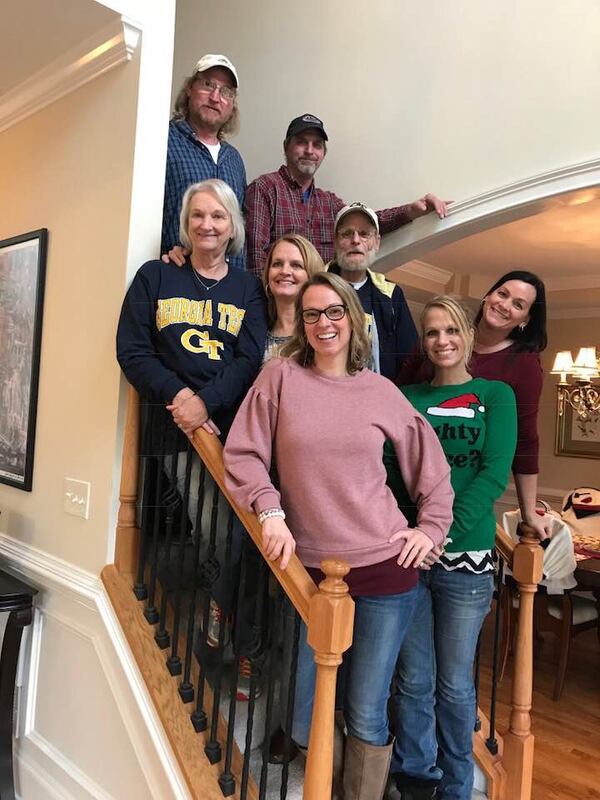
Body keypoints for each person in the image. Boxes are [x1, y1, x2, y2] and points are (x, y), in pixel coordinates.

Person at [223, 272, 454, 800]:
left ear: (352, 317)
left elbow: (431, 469)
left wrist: (431, 528)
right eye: (311, 314)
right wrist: (270, 510)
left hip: (385, 566)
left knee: (369, 709)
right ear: (301, 324)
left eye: (334, 311)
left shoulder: (379, 390)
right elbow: (243, 454)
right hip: (310, 572)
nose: (323, 323)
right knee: (308, 705)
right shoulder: (279, 378)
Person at [387, 296, 517, 800]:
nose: (442, 341)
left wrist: (439, 531)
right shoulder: (406, 397)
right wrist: (411, 529)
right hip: (410, 556)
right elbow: (393, 470)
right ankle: (417, 776)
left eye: (451, 331)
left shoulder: (494, 394)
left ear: (467, 335)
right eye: (433, 332)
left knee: (456, 684)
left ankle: (459, 783)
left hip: (466, 560)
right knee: (414, 677)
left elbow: (493, 474)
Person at [397, 270, 548, 540]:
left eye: (518, 304)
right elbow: (395, 400)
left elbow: (524, 439)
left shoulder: (522, 365)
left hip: (466, 501)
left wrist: (528, 512)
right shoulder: (434, 344)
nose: (504, 304)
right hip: (413, 505)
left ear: (525, 320)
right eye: (502, 294)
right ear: (488, 295)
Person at [118, 178, 265, 436]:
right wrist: (182, 396)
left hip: (226, 430)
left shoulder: (249, 288)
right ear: (186, 223)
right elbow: (133, 351)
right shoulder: (154, 276)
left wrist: (206, 403)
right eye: (197, 215)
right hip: (166, 428)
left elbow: (248, 359)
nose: (206, 225)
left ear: (233, 227)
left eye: (218, 216)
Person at [244, 113, 450, 275]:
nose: (309, 150)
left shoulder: (330, 203)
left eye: (317, 145)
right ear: (286, 147)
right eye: (301, 142)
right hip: (277, 311)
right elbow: (254, 259)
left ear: (323, 153)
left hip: (319, 313)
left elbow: (366, 223)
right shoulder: (265, 189)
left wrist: (411, 211)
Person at [162, 54, 246, 270]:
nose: (215, 97)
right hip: (178, 279)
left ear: (232, 105)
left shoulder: (234, 160)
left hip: (229, 289)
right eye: (208, 85)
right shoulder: (162, 140)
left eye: (226, 92)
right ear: (190, 88)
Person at [327, 202, 418, 380]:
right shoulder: (316, 289)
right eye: (347, 233)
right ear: (336, 242)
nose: (355, 240)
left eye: (364, 234)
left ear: (376, 242)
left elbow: (410, 361)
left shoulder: (391, 294)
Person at [262, 234, 325, 361]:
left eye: (296, 265)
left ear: (311, 275)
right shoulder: (254, 331)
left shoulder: (322, 332)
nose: (284, 271)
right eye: (277, 264)